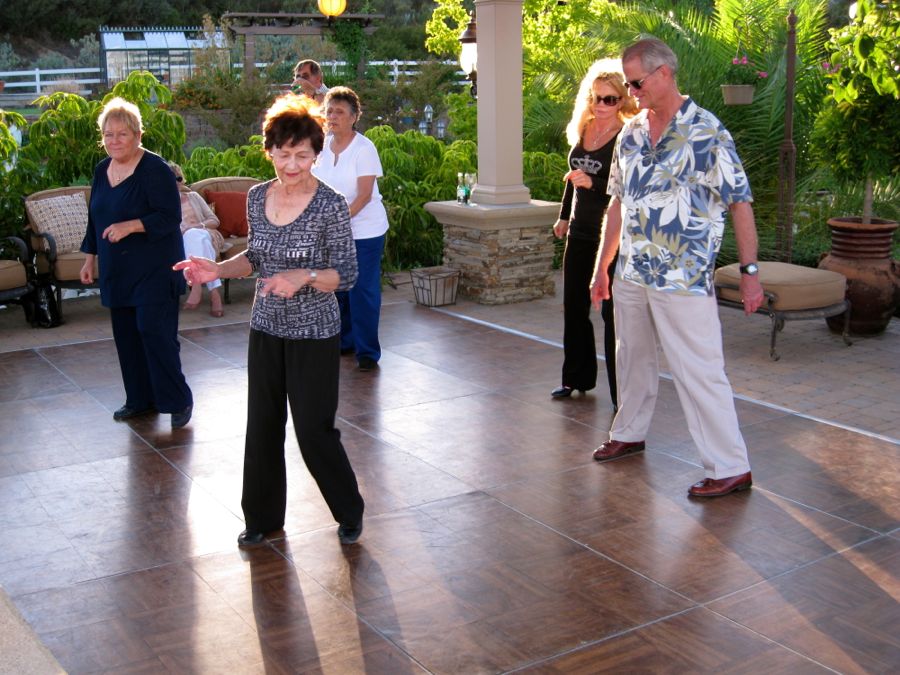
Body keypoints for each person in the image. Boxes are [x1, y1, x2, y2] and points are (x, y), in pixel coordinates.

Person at [174, 94, 365, 547]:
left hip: (314, 333)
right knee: (262, 426)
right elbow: (256, 256)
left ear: (316, 155)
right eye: (283, 154)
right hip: (266, 328)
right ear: (269, 152)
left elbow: (348, 273)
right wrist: (217, 270)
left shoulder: (330, 204)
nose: (292, 164)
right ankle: (262, 519)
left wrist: (306, 275)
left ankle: (349, 508)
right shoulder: (258, 197)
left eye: (302, 155)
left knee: (314, 430)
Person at [589, 38, 766, 498]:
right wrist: (602, 266)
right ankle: (628, 432)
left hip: (683, 277)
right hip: (632, 271)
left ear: (665, 73)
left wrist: (750, 273)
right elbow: (617, 204)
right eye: (627, 83)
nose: (630, 92)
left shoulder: (707, 132)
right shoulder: (629, 134)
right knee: (631, 358)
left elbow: (740, 202)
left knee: (699, 369)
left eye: (636, 82)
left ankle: (730, 465)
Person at [79, 97, 193, 429]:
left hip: (155, 267)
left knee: (154, 332)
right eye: (108, 134)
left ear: (138, 135)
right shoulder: (102, 170)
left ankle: (177, 400)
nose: (114, 141)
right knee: (127, 335)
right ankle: (140, 400)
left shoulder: (155, 169)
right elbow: (95, 219)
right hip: (118, 268)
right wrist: (90, 259)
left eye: (122, 134)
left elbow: (170, 217)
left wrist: (131, 226)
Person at [551, 59, 637, 407]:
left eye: (610, 99)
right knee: (573, 307)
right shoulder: (583, 130)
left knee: (611, 316)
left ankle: (622, 398)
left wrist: (595, 183)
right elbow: (574, 179)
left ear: (623, 101)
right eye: (596, 98)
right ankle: (576, 378)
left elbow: (627, 191)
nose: (601, 105)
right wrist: (563, 217)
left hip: (611, 238)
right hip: (579, 233)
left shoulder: (627, 137)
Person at [312, 86, 389, 372]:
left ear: (354, 116)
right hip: (332, 232)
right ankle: (345, 342)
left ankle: (367, 351)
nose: (332, 116)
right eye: (329, 110)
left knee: (362, 291)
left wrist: (337, 223)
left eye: (340, 112)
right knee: (338, 288)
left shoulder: (364, 148)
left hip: (365, 231)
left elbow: (364, 195)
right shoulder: (320, 146)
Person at [168, 162, 228, 317]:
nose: (176, 182)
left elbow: (214, 221)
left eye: (178, 178)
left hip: (206, 232)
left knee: (195, 235)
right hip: (183, 241)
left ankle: (196, 286)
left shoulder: (193, 197)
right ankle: (215, 295)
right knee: (197, 241)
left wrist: (197, 226)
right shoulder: (163, 204)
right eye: (171, 179)